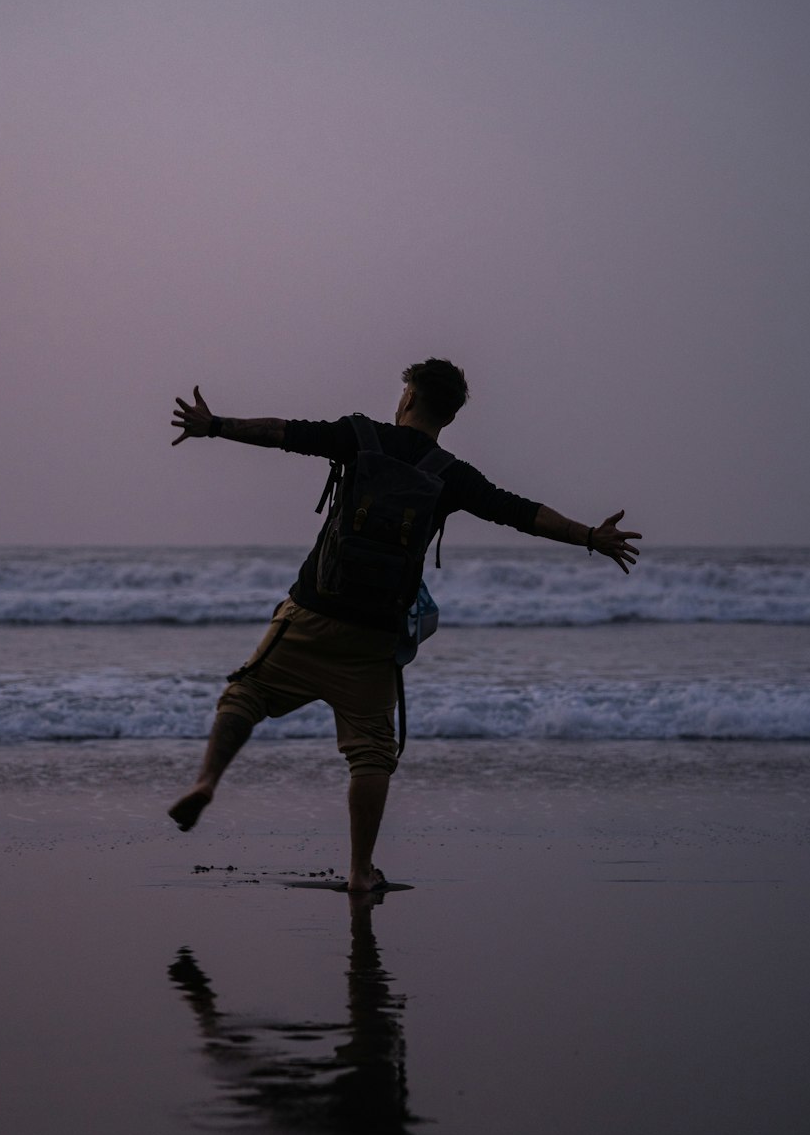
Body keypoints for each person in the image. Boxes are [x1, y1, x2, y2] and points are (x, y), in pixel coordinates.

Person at [168, 359, 640, 894]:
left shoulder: (359, 436)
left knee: (246, 692)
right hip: (374, 636)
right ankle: (359, 870)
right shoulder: (450, 474)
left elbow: (282, 433)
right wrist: (588, 538)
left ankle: (207, 781)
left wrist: (217, 425)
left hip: (312, 612)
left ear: (410, 398)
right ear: (451, 416)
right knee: (371, 751)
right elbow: (520, 512)